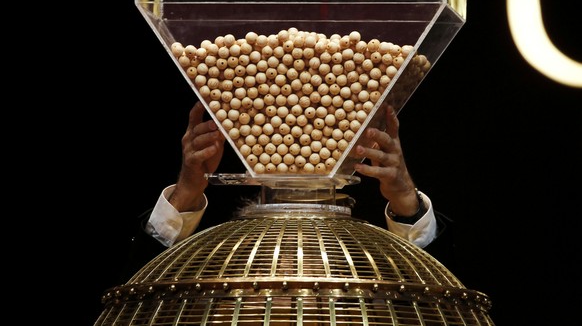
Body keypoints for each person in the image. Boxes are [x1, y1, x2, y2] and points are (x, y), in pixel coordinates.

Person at [120, 101, 454, 282]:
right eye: (273, 267)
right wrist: (186, 193)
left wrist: (406, 200)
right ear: (240, 272)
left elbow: (446, 295)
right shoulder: (220, 308)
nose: (293, 279)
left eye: (311, 270)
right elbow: (137, 293)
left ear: (345, 275)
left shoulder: (367, 310)